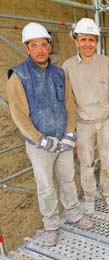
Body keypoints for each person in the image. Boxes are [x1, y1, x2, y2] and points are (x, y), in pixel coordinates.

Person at [6, 22, 93, 247]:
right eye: (34, 45)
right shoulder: (18, 76)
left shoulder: (59, 73)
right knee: (45, 186)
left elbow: (69, 105)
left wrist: (70, 133)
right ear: (27, 48)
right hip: (39, 145)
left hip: (61, 140)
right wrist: (39, 139)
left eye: (44, 45)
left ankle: (73, 214)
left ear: (49, 46)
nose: (40, 50)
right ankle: (51, 225)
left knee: (67, 180)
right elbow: (19, 115)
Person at [62, 18, 109, 215]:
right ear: (76, 41)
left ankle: (107, 192)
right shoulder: (68, 66)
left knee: (108, 161)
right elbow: (67, 98)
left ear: (97, 42)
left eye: (92, 40)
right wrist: (71, 127)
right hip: (83, 124)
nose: (88, 44)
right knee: (86, 163)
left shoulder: (106, 62)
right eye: (84, 39)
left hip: (106, 121)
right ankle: (89, 196)